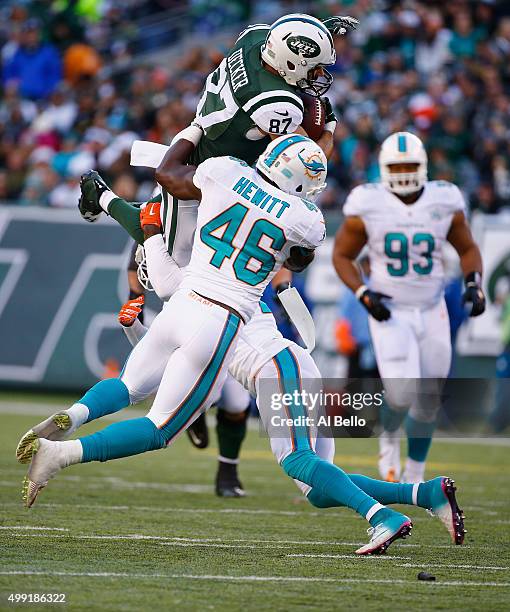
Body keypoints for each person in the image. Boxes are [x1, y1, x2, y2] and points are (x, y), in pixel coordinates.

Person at [20, 133, 465, 555]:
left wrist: (132, 207)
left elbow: (170, 210)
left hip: (264, 356)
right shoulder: (301, 219)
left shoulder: (221, 177)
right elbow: (298, 255)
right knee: (314, 484)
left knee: (293, 462)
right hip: (233, 331)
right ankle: (424, 493)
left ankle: (381, 515)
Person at [75, 12, 355, 495]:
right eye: (310, 69)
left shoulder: (255, 38)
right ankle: (103, 200)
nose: (316, 80)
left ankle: (102, 200)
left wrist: (319, 33)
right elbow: (305, 159)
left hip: (207, 160)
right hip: (214, 179)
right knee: (167, 270)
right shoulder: (279, 106)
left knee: (164, 260)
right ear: (288, 61)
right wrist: (327, 124)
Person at [333, 131, 486, 484]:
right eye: (397, 165)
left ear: (424, 167)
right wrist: (363, 294)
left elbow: (466, 248)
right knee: (401, 395)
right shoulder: (367, 203)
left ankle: (415, 472)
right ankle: (388, 440)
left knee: (429, 397)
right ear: (383, 169)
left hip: (432, 308)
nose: (403, 172)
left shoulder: (443, 199)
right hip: (390, 310)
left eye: (410, 165)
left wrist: (474, 283)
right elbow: (342, 256)